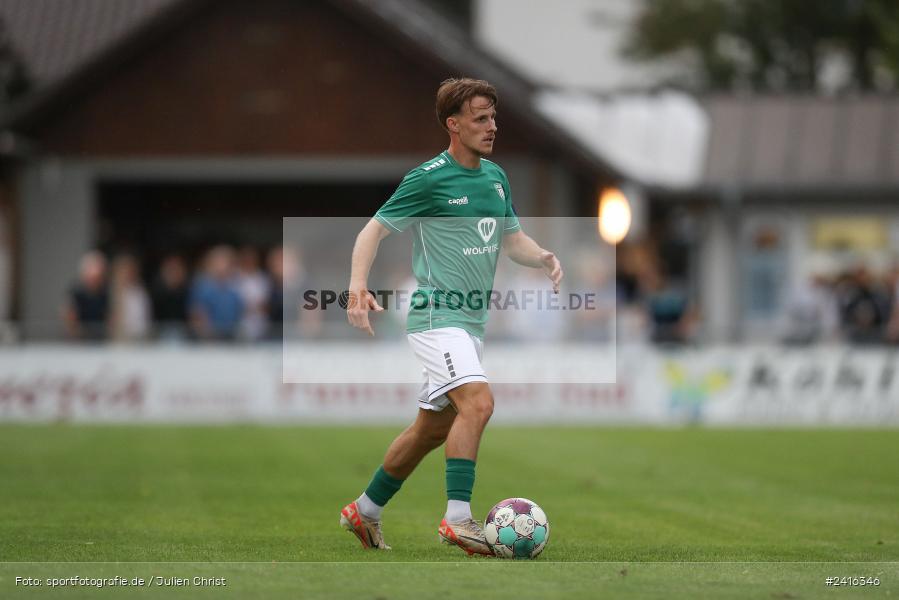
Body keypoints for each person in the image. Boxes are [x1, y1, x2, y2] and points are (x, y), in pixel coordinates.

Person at [340, 78, 563, 555]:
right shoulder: (428, 178)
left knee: (431, 430)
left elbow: (511, 239)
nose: (491, 126)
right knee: (479, 404)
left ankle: (365, 510)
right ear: (454, 124)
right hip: (434, 315)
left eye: (493, 117)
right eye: (481, 118)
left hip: (470, 324)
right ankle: (457, 519)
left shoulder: (495, 178)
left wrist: (541, 254)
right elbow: (372, 232)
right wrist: (357, 287)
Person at [63, 250, 109, 341]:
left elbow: (110, 321)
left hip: (101, 343)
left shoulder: (106, 295)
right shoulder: (75, 294)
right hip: (80, 343)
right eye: (92, 278)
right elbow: (70, 321)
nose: (95, 282)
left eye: (98, 278)